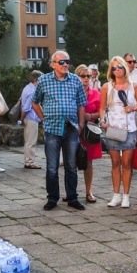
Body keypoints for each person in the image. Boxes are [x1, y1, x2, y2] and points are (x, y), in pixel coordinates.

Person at [32, 51, 87, 211]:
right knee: (52, 167)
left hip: (71, 128)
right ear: (53, 64)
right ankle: (52, 198)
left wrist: (81, 125)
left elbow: (81, 104)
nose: (65, 64)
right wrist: (44, 119)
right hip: (52, 128)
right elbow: (35, 103)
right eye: (61, 62)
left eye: (67, 61)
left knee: (71, 165)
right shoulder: (43, 80)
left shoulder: (75, 80)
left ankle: (72, 197)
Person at [100, 56, 137, 208]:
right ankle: (116, 195)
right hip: (112, 129)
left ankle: (126, 195)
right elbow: (102, 107)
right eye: (113, 68)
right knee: (115, 163)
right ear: (110, 71)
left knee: (126, 163)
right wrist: (102, 120)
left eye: (119, 66)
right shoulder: (107, 87)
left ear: (125, 67)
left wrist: (131, 107)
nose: (117, 70)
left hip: (129, 129)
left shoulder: (134, 86)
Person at [77, 65, 102, 202]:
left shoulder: (96, 93)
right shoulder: (72, 92)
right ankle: (70, 191)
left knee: (89, 162)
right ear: (77, 77)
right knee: (70, 162)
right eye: (83, 76)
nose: (86, 78)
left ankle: (89, 191)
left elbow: (102, 112)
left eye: (88, 76)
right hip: (74, 130)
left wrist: (90, 115)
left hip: (89, 131)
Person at [20, 70, 43, 169]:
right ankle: (30, 162)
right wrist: (22, 118)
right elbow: (27, 107)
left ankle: (28, 160)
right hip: (31, 118)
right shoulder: (32, 91)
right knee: (31, 141)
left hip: (29, 118)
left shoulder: (27, 88)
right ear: (36, 80)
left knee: (28, 140)